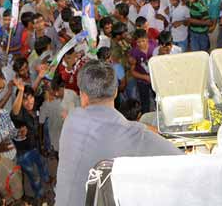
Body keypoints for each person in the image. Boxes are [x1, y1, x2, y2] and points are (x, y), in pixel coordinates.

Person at [54, 59, 180, 206]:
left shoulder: (72, 119)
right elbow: (179, 159)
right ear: (115, 92)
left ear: (83, 95)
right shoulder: (132, 134)